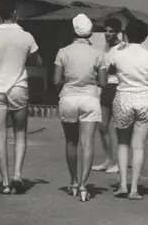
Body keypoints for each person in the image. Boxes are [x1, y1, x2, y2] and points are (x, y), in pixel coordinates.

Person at [0, 0, 42, 195]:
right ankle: (17, 175)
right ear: (15, 13)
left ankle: (5, 182)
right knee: (20, 132)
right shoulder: (26, 37)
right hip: (18, 87)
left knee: (0, 134)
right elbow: (38, 61)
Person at [99, 20, 148, 200]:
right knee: (139, 146)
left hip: (123, 98)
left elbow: (104, 71)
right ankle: (135, 188)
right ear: (144, 37)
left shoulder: (117, 54)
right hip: (145, 100)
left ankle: (122, 185)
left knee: (122, 143)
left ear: (125, 35)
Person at [53, 14, 104, 202]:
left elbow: (56, 80)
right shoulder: (98, 54)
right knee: (88, 142)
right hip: (90, 98)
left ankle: (73, 182)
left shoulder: (63, 52)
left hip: (68, 97)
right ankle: (84, 186)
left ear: (73, 30)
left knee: (71, 142)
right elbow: (104, 82)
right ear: (90, 33)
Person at [92, 17, 125, 174]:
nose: (107, 33)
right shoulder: (104, 48)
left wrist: (115, 68)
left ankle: (120, 162)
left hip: (118, 88)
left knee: (118, 128)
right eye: (105, 30)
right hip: (105, 88)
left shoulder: (122, 48)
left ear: (117, 33)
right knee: (102, 126)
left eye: (111, 31)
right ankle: (107, 159)